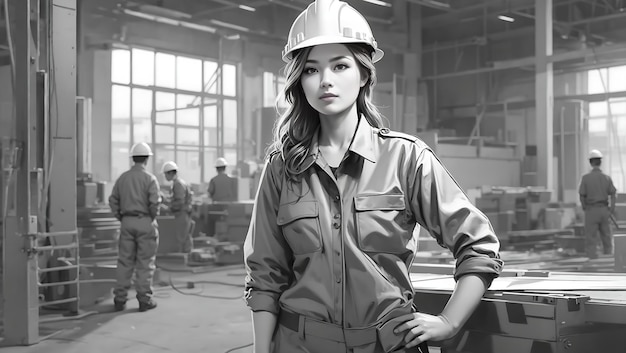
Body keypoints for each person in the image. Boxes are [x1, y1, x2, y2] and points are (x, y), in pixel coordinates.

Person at [243, 1, 503, 352]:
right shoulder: (282, 167)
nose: (326, 81)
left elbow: (478, 244)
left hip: (389, 344)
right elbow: (264, 275)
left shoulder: (406, 158)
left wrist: (448, 321)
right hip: (300, 344)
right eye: (311, 70)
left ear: (364, 74)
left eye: (340, 65)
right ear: (299, 80)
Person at [109, 142, 160, 312]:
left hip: (127, 222)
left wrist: (121, 217)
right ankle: (144, 300)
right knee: (145, 262)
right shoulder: (150, 179)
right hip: (145, 221)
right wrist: (150, 218)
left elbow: (113, 199)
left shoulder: (123, 178)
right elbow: (154, 203)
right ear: (146, 159)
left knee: (125, 261)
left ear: (133, 158)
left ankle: (119, 299)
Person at [579, 149, 617, 258]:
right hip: (604, 210)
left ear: (590, 163)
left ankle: (592, 262)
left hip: (591, 210)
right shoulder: (607, 178)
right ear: (600, 162)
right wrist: (611, 210)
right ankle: (609, 261)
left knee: (591, 238)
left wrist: (585, 208)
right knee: (607, 237)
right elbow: (613, 194)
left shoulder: (585, 178)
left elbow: (582, 195)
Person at [162, 161, 194, 253]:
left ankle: (181, 259)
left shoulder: (178, 184)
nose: (165, 177)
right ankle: (186, 257)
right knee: (185, 236)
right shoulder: (178, 183)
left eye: (165, 174)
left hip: (182, 214)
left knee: (181, 238)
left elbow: (180, 202)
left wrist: (168, 208)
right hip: (183, 214)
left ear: (171, 173)